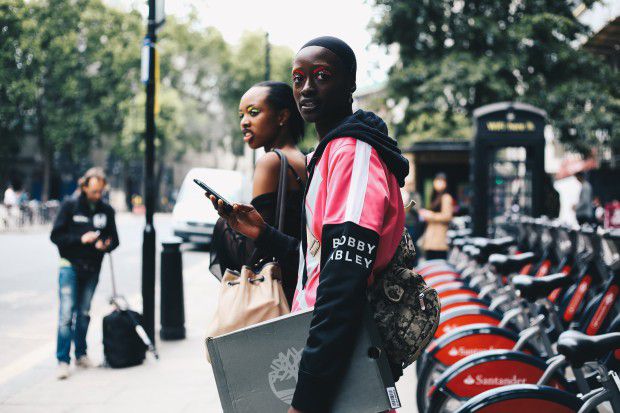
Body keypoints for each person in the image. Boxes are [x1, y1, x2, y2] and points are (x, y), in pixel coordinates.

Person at [210, 36, 408, 413]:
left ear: (350, 84)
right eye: (298, 78)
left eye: (321, 76)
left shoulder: (353, 154)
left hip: (338, 360)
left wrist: (307, 397)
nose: (306, 88)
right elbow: (320, 261)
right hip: (318, 344)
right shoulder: (328, 152)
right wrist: (263, 233)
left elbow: (343, 281)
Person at [209, 81, 306, 304]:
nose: (244, 122)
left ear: (282, 116)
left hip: (274, 296)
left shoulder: (270, 162)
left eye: (254, 112)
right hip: (299, 287)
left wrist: (225, 224)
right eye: (241, 115)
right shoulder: (304, 160)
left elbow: (249, 254)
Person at [50, 168, 119, 380]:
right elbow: (56, 236)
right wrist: (81, 239)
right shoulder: (69, 206)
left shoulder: (106, 210)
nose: (98, 195)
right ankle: (63, 360)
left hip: (92, 267)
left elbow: (114, 239)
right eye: (94, 191)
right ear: (84, 187)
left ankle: (81, 354)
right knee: (66, 314)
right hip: (69, 265)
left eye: (101, 191)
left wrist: (105, 244)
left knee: (84, 313)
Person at [419, 173, 453, 260]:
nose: (439, 183)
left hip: (439, 239)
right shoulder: (435, 197)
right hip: (431, 238)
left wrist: (430, 215)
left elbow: (447, 216)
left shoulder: (446, 197)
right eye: (437, 180)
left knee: (438, 265)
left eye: (442, 181)